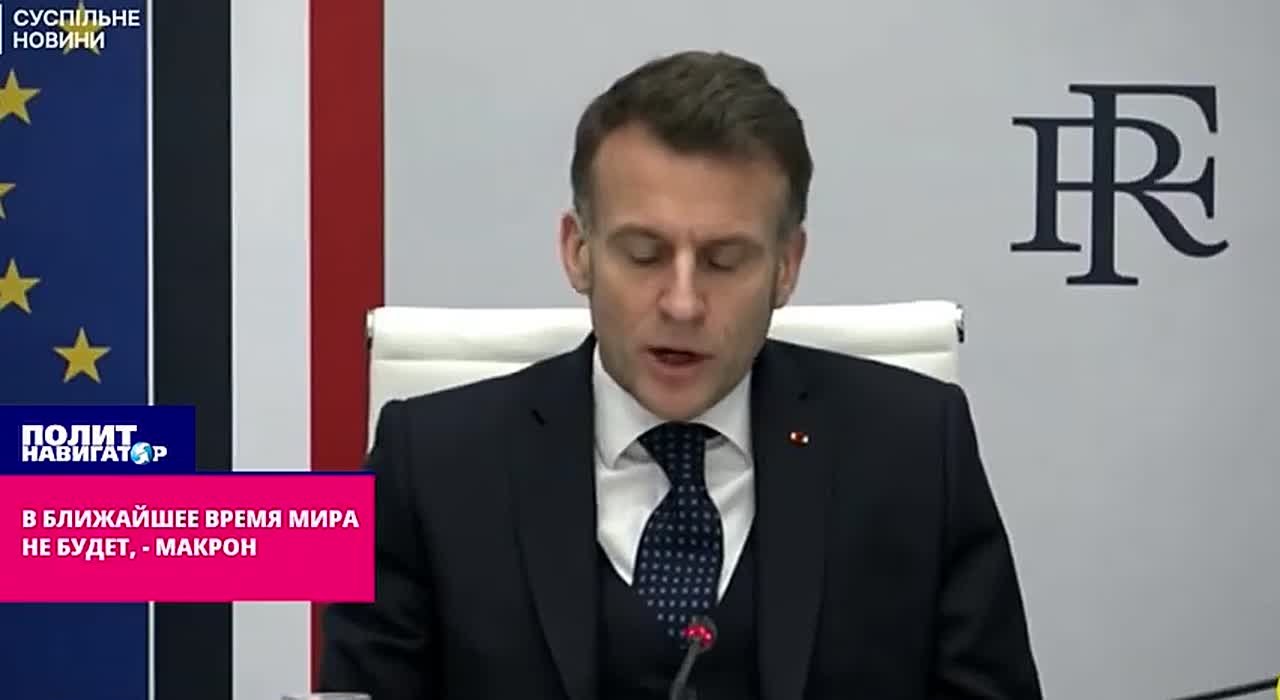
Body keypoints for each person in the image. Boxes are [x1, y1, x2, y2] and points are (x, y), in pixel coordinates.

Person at [319, 49, 1042, 699]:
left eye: (725, 262)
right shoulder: (423, 462)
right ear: (578, 251)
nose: (683, 303)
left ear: (786, 267)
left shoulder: (919, 449)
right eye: (643, 254)